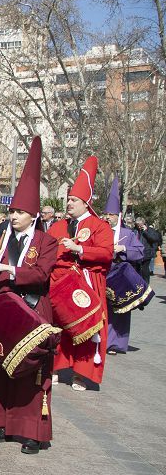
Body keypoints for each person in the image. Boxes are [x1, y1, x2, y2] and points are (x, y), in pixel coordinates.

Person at [0, 136, 59, 455]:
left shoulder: (46, 241)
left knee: (32, 373)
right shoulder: (1, 238)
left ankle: (31, 431)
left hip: (33, 311)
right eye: (13, 210)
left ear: (33, 214)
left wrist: (4, 268)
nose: (14, 215)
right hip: (5, 309)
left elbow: (40, 274)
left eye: (20, 211)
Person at [48, 156, 113, 391]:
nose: (69, 203)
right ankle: (54, 367)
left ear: (86, 203)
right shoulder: (58, 225)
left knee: (87, 329)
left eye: (74, 200)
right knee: (59, 326)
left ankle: (80, 375)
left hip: (87, 282)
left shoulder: (99, 226)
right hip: (61, 282)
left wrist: (80, 249)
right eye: (68, 199)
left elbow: (106, 253)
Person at [104, 177, 144, 355]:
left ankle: (114, 344)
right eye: (106, 214)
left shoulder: (127, 233)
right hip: (102, 274)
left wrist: (123, 248)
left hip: (120, 276)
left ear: (118, 216)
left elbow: (140, 252)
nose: (108, 217)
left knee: (119, 311)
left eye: (112, 215)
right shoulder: (99, 230)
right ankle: (101, 340)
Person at [134, 216, 161, 283]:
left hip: (146, 253)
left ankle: (146, 284)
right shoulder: (135, 230)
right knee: (137, 270)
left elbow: (154, 239)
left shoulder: (150, 230)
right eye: (137, 225)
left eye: (140, 225)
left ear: (143, 223)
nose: (139, 227)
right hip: (136, 252)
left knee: (145, 270)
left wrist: (146, 231)